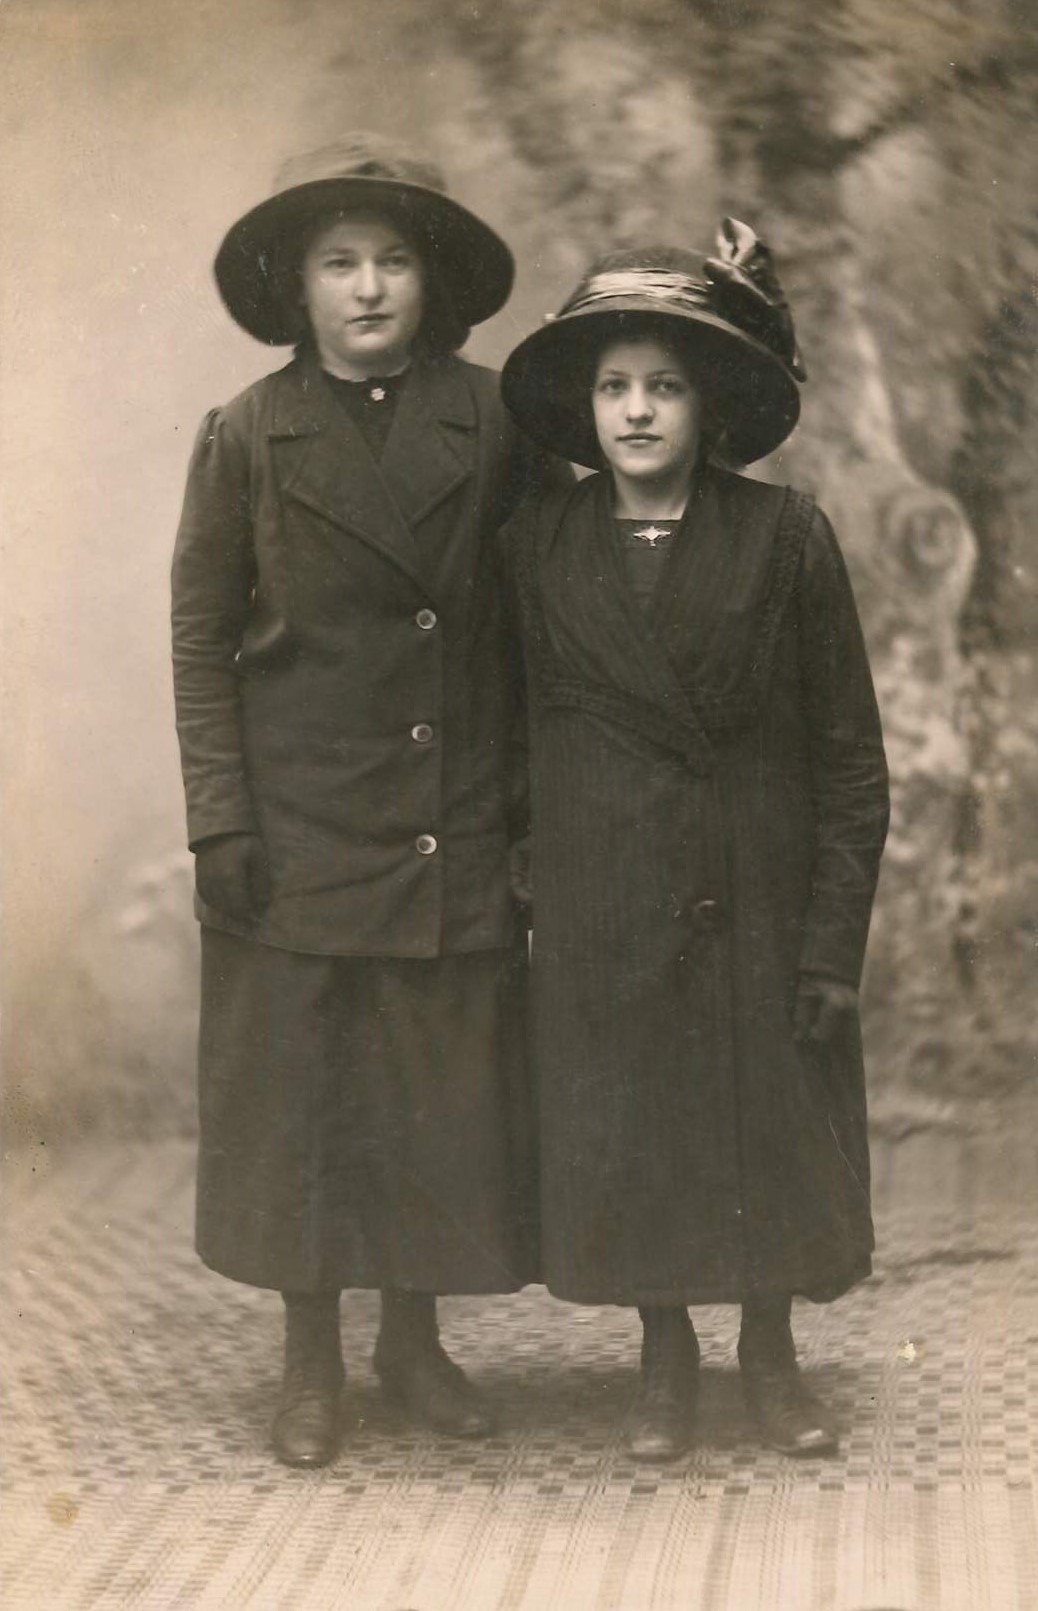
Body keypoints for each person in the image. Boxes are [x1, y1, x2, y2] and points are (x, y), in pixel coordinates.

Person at [171, 134, 560, 1468]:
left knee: (431, 1091)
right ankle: (310, 1363)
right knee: (307, 1100)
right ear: (298, 287)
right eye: (339, 263)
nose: (370, 287)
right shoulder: (245, 435)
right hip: (299, 824)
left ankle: (413, 1342)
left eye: (394, 259)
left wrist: (530, 815)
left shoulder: (498, 422)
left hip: (449, 810)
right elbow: (200, 641)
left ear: (431, 279)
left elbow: (547, 621)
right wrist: (221, 817)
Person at [500, 221, 890, 1462]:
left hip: (755, 904)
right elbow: (513, 741)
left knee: (769, 1134)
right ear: (585, 406)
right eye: (614, 386)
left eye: (664, 386)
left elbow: (850, 760)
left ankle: (771, 1354)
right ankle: (663, 1357)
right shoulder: (539, 546)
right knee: (639, 1136)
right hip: (611, 907)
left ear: (708, 403)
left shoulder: (787, 537)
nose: (636, 411)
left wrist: (829, 945)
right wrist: (541, 893)